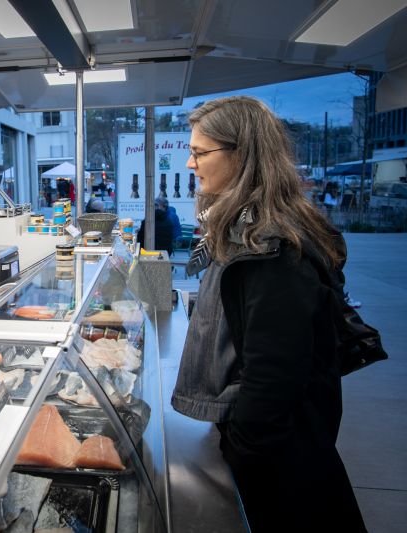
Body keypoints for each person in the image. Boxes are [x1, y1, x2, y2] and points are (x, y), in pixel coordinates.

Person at [171, 96, 366, 532]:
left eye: (200, 152)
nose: (189, 163)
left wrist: (240, 455)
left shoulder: (272, 248)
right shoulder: (244, 228)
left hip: (282, 474)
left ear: (241, 155)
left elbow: (274, 376)